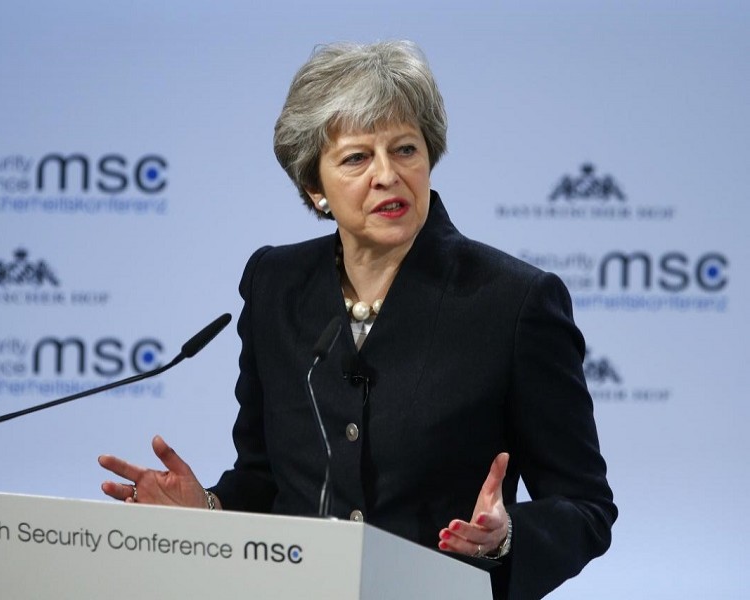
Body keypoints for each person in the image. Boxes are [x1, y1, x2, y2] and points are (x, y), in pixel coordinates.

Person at [99, 40, 616, 600]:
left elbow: (585, 507)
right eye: (356, 158)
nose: (387, 175)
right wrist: (205, 510)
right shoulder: (274, 284)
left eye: (405, 150)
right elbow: (268, 478)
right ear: (314, 189)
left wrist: (505, 537)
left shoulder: (513, 302)